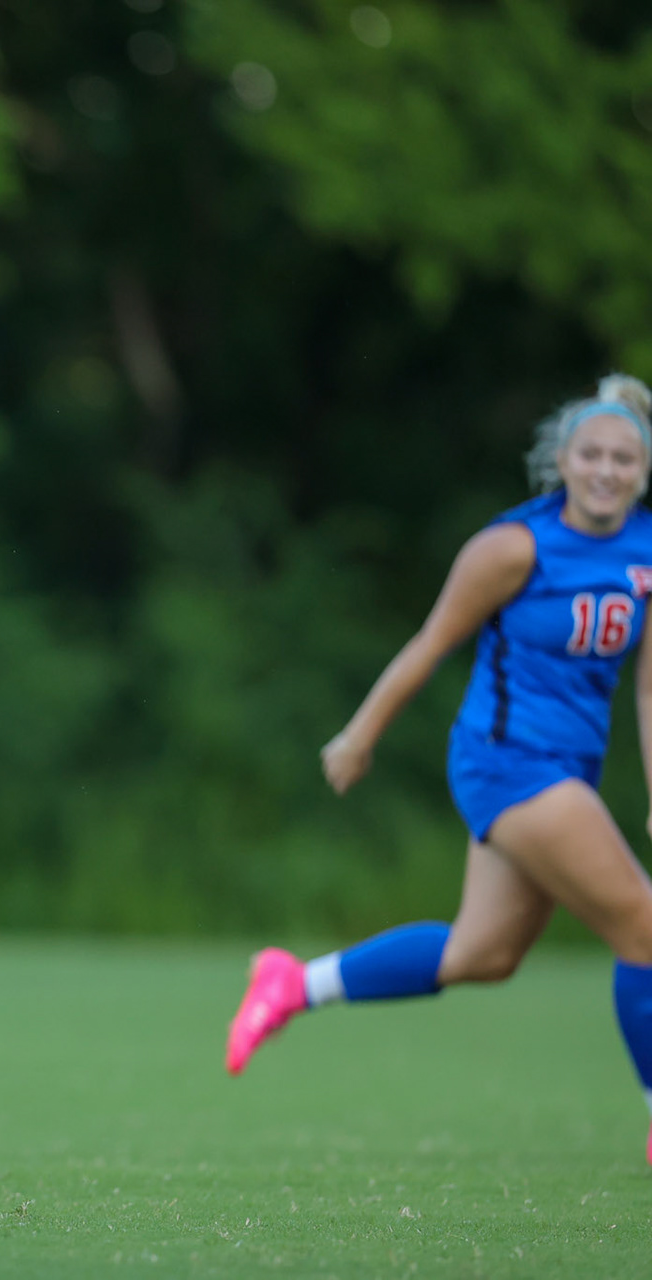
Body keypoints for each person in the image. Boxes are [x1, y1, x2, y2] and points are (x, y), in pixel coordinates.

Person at [226, 374, 652, 1163]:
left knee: (482, 956)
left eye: (623, 459)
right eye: (590, 453)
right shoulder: (513, 547)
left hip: (567, 771)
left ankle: (294, 984)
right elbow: (430, 643)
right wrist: (359, 735)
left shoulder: (647, 549)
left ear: (643, 468)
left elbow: (650, 684)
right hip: (507, 762)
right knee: (646, 927)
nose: (605, 470)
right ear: (562, 459)